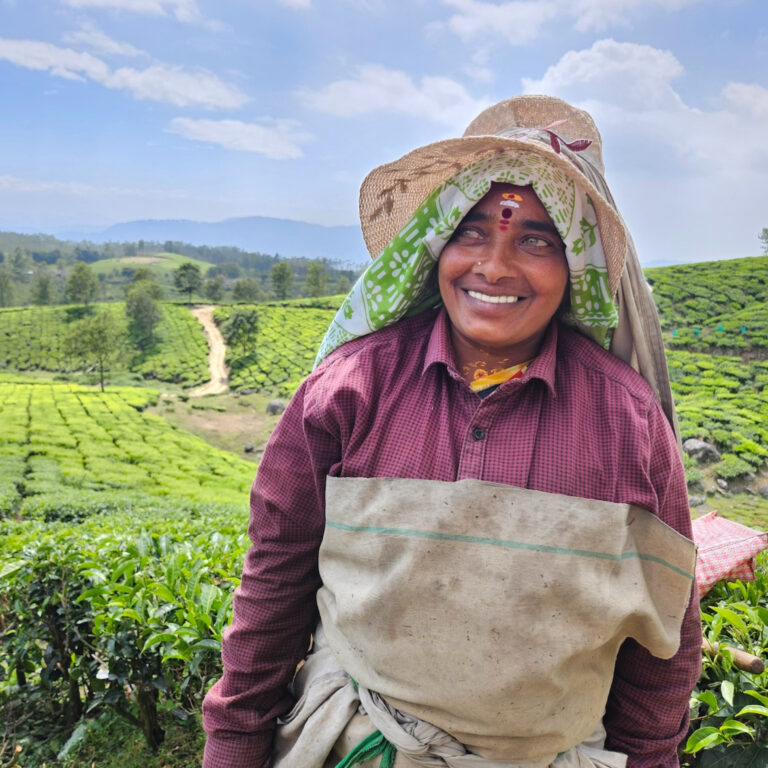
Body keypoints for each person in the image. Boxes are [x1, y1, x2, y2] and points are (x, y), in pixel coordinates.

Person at [202, 95, 700, 768]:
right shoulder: (350, 390)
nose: (493, 267)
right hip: (358, 746)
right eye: (471, 232)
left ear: (575, 263)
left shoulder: (628, 424)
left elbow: (664, 642)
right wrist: (233, 745)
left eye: (536, 240)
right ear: (436, 245)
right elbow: (274, 584)